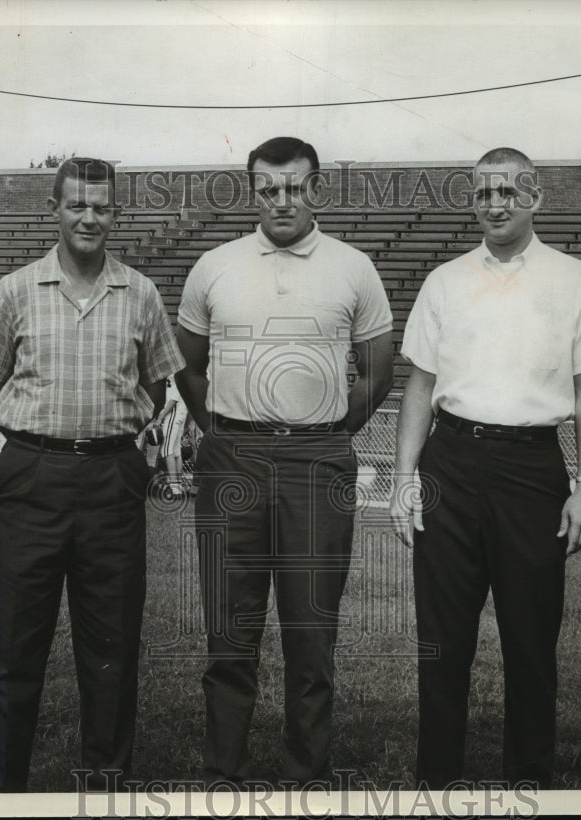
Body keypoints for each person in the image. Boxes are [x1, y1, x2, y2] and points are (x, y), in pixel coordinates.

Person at [390, 147, 581, 789]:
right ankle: (435, 782)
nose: (495, 204)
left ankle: (530, 781)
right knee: (443, 639)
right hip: (451, 462)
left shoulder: (575, 280)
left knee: (530, 639)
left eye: (509, 192)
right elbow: (420, 383)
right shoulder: (445, 280)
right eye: (484, 193)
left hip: (531, 467)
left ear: (536, 197)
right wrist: (406, 479)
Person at [175, 136, 394, 786]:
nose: (281, 199)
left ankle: (305, 774)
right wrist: (219, 426)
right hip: (232, 457)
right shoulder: (215, 265)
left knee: (310, 632)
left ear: (316, 189)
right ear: (253, 192)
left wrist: (333, 426)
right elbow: (186, 363)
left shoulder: (352, 267)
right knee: (230, 629)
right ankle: (223, 772)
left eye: (294, 186)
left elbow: (379, 367)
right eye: (268, 188)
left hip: (316, 457)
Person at [0, 157, 184, 792]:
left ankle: (106, 790)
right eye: (76, 204)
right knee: (12, 648)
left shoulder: (139, 292)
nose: (90, 217)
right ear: (54, 208)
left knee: (110, 652)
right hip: (30, 474)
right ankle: (4, 795)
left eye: (103, 206)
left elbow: (158, 381)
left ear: (117, 212)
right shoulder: (14, 290)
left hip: (112, 478)